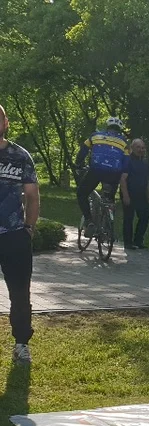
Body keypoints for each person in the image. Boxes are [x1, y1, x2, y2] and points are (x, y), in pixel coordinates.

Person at [0, 104, 39, 365]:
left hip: (14, 235)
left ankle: (21, 344)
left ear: (5, 123)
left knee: (20, 293)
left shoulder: (20, 155)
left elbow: (32, 194)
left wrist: (29, 227)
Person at [75, 117, 128, 238]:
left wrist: (78, 164)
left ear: (107, 126)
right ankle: (108, 229)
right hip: (113, 174)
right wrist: (122, 173)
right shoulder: (124, 142)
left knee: (81, 194)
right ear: (119, 129)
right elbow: (126, 161)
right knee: (109, 200)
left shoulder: (95, 136)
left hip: (96, 171)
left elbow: (83, 150)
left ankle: (89, 221)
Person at [120, 138, 149, 250]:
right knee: (129, 218)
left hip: (141, 194)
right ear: (132, 148)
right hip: (129, 192)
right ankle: (128, 243)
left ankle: (138, 240)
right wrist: (125, 195)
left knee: (145, 217)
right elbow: (123, 179)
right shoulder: (128, 160)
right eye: (138, 147)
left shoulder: (145, 162)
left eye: (143, 147)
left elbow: (147, 180)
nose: (141, 149)